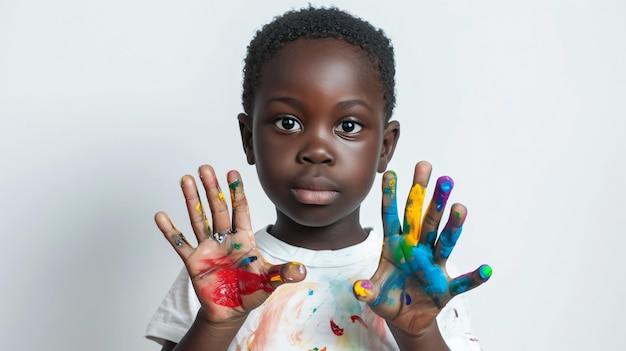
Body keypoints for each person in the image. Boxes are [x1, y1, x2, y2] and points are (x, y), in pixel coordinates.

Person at [146, 6, 491, 351]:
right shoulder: (218, 268)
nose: (317, 150)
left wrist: (418, 334)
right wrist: (216, 324)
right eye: (287, 123)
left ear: (385, 147)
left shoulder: (422, 275)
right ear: (249, 139)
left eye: (348, 126)